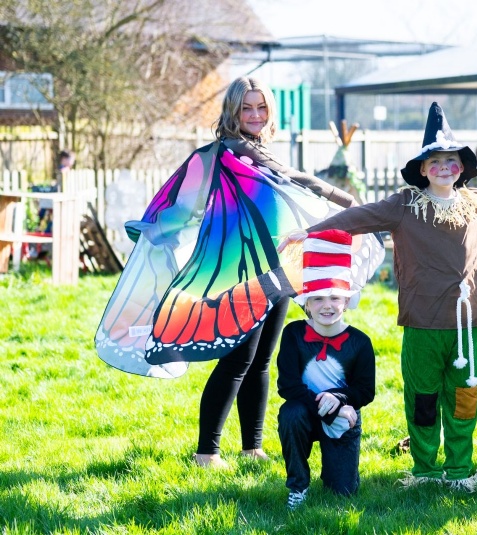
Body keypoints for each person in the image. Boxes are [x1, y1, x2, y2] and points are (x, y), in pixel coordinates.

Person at [283, 102, 477, 492]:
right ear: (423, 169)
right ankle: (424, 468)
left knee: (463, 397)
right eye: (435, 161)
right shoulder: (404, 205)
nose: (444, 167)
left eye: (451, 160)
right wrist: (312, 232)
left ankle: (459, 470)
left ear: (462, 166)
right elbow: (359, 216)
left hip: (466, 324)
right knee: (423, 397)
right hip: (423, 321)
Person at [94, 76, 383, 470]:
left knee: (261, 360)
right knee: (236, 361)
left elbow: (291, 190)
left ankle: (252, 447)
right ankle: (206, 452)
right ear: (232, 111)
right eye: (246, 108)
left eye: (261, 107)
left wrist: (344, 210)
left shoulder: (261, 153)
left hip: (277, 268)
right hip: (239, 273)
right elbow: (189, 201)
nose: (254, 115)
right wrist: (346, 201)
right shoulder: (224, 153)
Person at [276, 229, 376, 510]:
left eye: (335, 297)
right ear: (306, 303)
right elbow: (288, 386)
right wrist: (329, 408)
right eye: (318, 298)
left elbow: (365, 390)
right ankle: (298, 485)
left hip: (343, 415)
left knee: (342, 492)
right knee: (290, 413)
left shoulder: (360, 342)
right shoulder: (293, 334)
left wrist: (340, 400)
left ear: (346, 301)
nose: (327, 306)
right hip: (305, 411)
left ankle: (335, 469)